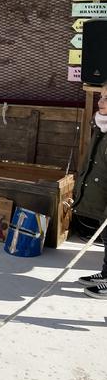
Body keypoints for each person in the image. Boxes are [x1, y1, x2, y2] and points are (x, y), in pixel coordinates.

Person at [74, 84, 107, 300]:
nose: (100, 101)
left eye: (106, 98)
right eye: (102, 96)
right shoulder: (100, 126)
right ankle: (106, 273)